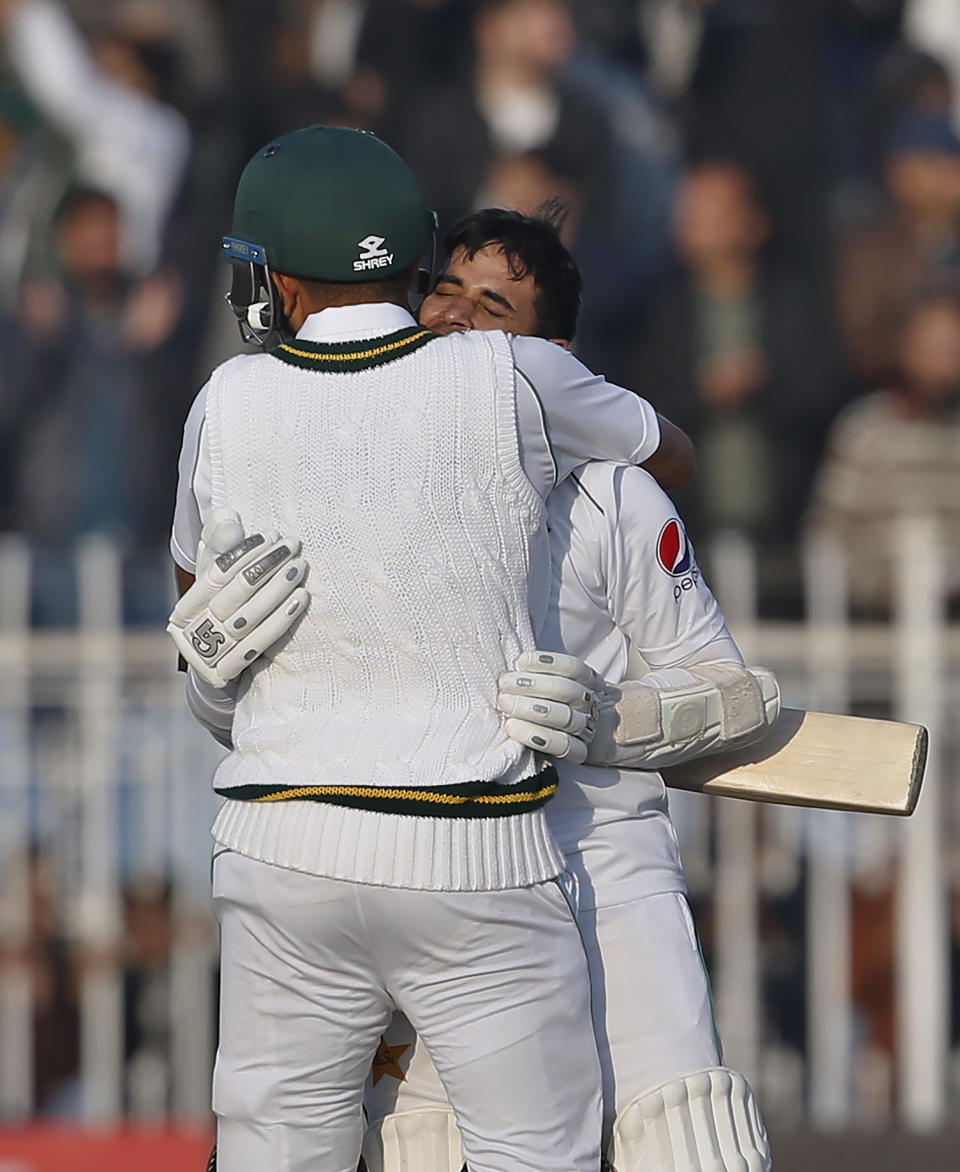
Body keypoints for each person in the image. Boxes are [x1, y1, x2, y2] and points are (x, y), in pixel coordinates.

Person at [177, 203, 774, 1172]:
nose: (454, 316)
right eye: (442, 289)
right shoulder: (347, 480)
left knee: (685, 1142)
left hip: (604, 858)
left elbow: (734, 692)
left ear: (552, 356)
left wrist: (610, 721)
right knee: (417, 1148)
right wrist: (207, 675)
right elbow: (277, 715)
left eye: (492, 304)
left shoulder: (611, 493)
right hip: (447, 855)